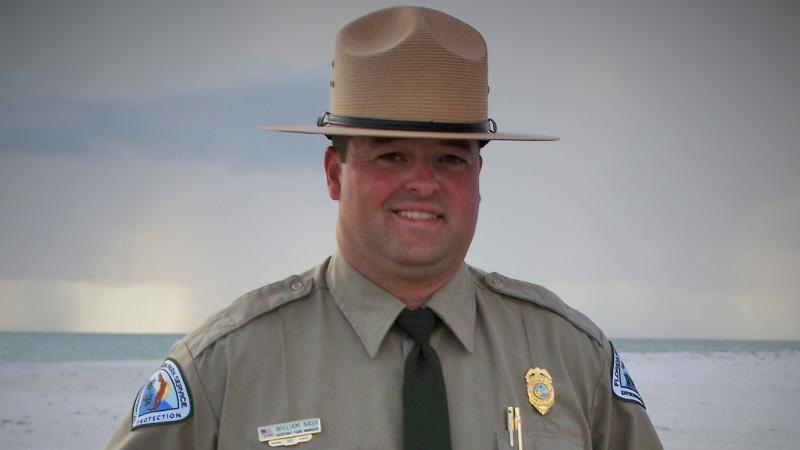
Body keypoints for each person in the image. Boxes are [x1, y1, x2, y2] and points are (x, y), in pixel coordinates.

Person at [105, 6, 663, 450]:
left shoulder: (572, 355)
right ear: (334, 174)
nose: (423, 183)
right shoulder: (225, 367)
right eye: (391, 156)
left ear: (478, 175)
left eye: (450, 159)